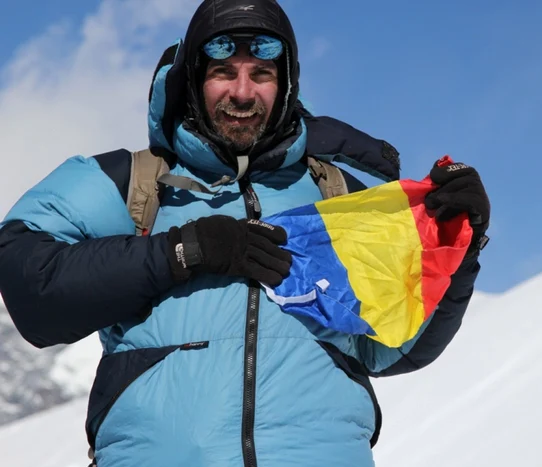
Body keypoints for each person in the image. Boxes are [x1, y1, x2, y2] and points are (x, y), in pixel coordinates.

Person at [0, 0, 490, 466]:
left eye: (261, 74)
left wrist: (458, 242)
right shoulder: (131, 184)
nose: (242, 92)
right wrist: (185, 251)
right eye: (222, 72)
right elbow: (30, 281)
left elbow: (390, 345)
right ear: (193, 80)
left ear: (286, 84)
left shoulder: (334, 196)